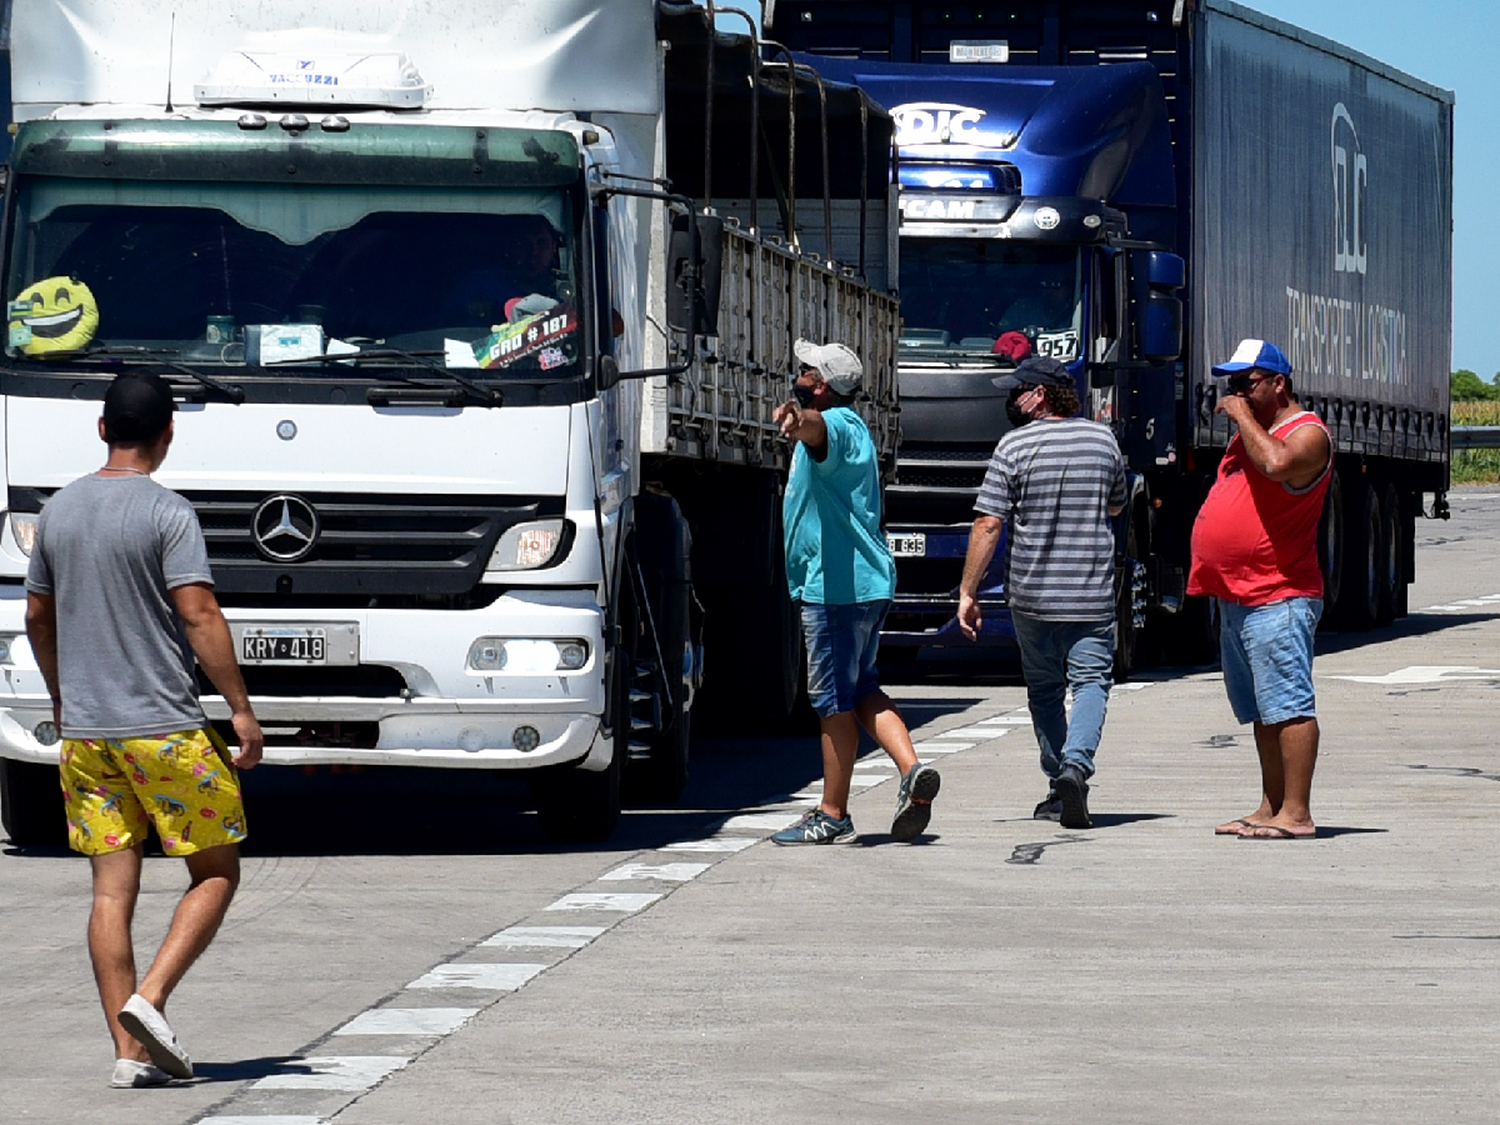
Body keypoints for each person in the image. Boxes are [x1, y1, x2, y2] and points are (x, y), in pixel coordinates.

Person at [24, 372, 265, 1088]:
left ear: (102, 429)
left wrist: (62, 692)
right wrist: (241, 708)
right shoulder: (167, 512)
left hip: (89, 735)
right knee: (217, 869)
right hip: (164, 729)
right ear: (168, 434)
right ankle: (150, 999)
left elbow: (38, 616)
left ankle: (128, 1058)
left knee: (109, 892)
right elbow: (198, 614)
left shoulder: (59, 511)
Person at [769, 339, 940, 845]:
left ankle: (832, 813)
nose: (796, 375)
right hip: (866, 585)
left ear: (820, 385)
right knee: (862, 689)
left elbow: (818, 431)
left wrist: (799, 422)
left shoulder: (835, 426)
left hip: (836, 592)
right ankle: (911, 772)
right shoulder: (858, 428)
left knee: (832, 702)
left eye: (804, 371)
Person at [957, 356, 1125, 829]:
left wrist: (968, 590)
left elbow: (989, 523)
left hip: (1032, 595)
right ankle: (1076, 767)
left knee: (1046, 691)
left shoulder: (1013, 447)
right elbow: (1115, 505)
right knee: (1091, 682)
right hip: (1090, 592)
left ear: (1041, 395)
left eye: (1019, 390)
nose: (1012, 399)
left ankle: (1058, 784)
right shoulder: (1103, 439)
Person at [1189, 339, 1332, 841]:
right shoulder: (1255, 432)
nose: (1236, 394)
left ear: (1278, 383)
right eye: (1231, 385)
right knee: (1260, 708)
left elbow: (1277, 464)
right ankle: (1270, 805)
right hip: (1239, 594)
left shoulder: (1308, 433)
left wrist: (1242, 417)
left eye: (1246, 384)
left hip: (1280, 592)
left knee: (1288, 702)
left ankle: (1297, 812)